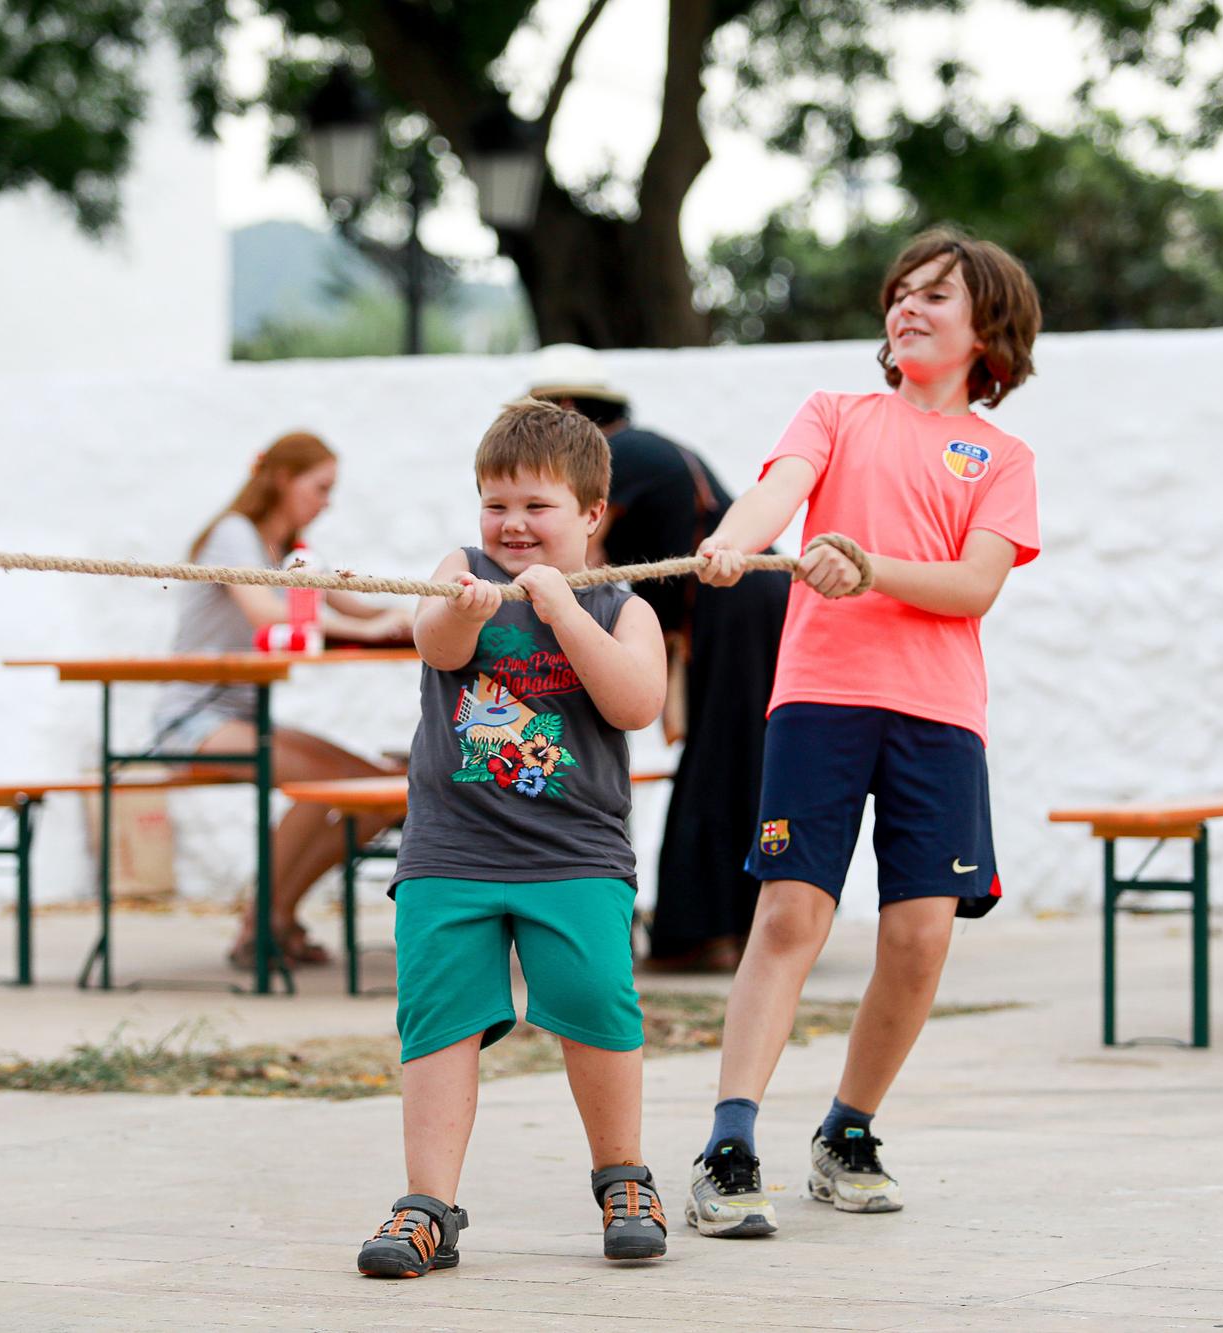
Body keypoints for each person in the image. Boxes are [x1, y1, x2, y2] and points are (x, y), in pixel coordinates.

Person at [682, 227, 1042, 1237]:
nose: (907, 306)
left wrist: (871, 566)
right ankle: (728, 1142)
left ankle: (847, 1130)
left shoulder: (1002, 457)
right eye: (899, 291)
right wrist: (731, 543)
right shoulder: (833, 412)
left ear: (988, 333)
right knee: (790, 916)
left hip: (939, 716)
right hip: (821, 695)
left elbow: (974, 585)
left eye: (936, 294)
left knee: (919, 938)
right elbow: (776, 492)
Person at [355, 397, 670, 1278]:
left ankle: (623, 1178)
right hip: (450, 850)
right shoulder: (462, 569)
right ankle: (427, 1205)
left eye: (538, 506)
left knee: (598, 1004)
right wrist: (465, 605)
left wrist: (564, 610)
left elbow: (636, 703)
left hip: (573, 856)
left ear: (592, 515)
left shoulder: (621, 605)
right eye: (497, 503)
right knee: (438, 1018)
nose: (513, 524)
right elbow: (439, 645)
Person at [527, 345, 789, 972]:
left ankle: (705, 933)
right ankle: (725, 928)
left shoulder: (618, 455)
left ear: (566, 410)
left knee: (722, 761)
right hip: (747, 603)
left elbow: (579, 551)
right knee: (732, 758)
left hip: (737, 603)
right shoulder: (642, 447)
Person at [152, 431, 412, 967]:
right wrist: (370, 629)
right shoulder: (233, 535)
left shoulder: (289, 551)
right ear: (281, 479)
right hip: (193, 722)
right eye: (320, 488)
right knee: (336, 787)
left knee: (380, 793)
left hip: (242, 717)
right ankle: (261, 923)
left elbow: (354, 605)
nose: (326, 502)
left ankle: (273, 916)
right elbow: (269, 614)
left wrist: (420, 618)